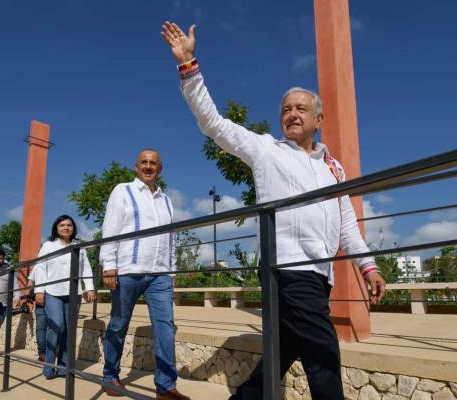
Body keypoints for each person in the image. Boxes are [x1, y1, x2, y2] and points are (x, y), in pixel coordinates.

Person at [160, 21, 387, 400]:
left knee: (278, 359)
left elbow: (346, 223)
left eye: (301, 108)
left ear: (318, 120)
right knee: (323, 355)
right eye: (286, 109)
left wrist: (368, 267)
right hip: (288, 270)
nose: (292, 114)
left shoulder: (334, 168)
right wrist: (188, 65)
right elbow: (213, 123)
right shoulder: (266, 150)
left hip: (319, 276)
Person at [100, 149, 186, 400]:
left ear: (160, 168)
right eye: (144, 162)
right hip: (128, 270)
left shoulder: (166, 199)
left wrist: (172, 270)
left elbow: (170, 237)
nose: (148, 166)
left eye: (153, 163)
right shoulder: (122, 190)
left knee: (165, 327)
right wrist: (109, 265)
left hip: (160, 274)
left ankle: (166, 386)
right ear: (136, 166)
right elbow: (111, 228)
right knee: (118, 324)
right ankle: (110, 376)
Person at [29, 215, 96, 379]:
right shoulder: (49, 245)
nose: (66, 228)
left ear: (73, 228)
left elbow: (85, 268)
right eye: (62, 225)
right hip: (53, 291)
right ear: (56, 228)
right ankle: (49, 365)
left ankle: (63, 368)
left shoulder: (78, 246)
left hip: (74, 293)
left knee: (69, 329)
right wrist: (39, 290)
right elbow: (40, 267)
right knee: (56, 325)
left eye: (69, 225)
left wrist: (90, 288)